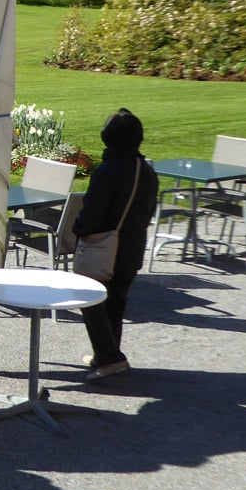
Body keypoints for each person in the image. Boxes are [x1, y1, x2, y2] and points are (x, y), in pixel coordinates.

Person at [72, 109, 159, 381]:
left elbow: (94, 214)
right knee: (116, 301)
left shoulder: (108, 171)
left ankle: (110, 356)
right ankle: (107, 354)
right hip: (133, 245)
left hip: (105, 248)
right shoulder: (145, 170)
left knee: (90, 298)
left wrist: (79, 229)